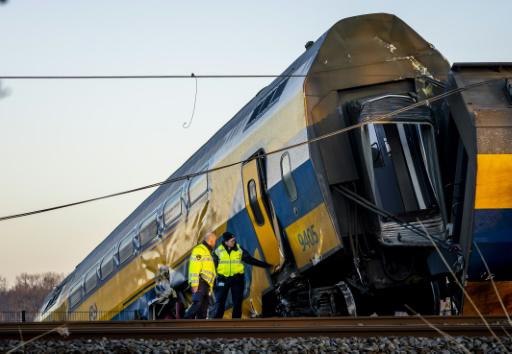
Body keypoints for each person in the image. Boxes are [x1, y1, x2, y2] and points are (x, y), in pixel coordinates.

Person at [212, 231, 272, 319]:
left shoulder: (239, 249)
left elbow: (250, 260)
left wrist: (265, 265)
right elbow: (212, 268)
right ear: (226, 242)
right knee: (220, 302)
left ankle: (235, 323)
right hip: (223, 280)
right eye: (232, 241)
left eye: (234, 240)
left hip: (237, 279)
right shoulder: (217, 252)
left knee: (237, 302)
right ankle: (216, 323)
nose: (234, 242)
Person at [184, 232, 217, 319]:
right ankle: (183, 325)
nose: (215, 243)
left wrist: (210, 287)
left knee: (203, 311)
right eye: (214, 241)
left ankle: (199, 330)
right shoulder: (199, 250)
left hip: (205, 286)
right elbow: (194, 268)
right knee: (196, 306)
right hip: (200, 284)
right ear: (211, 241)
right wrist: (195, 284)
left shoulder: (207, 252)